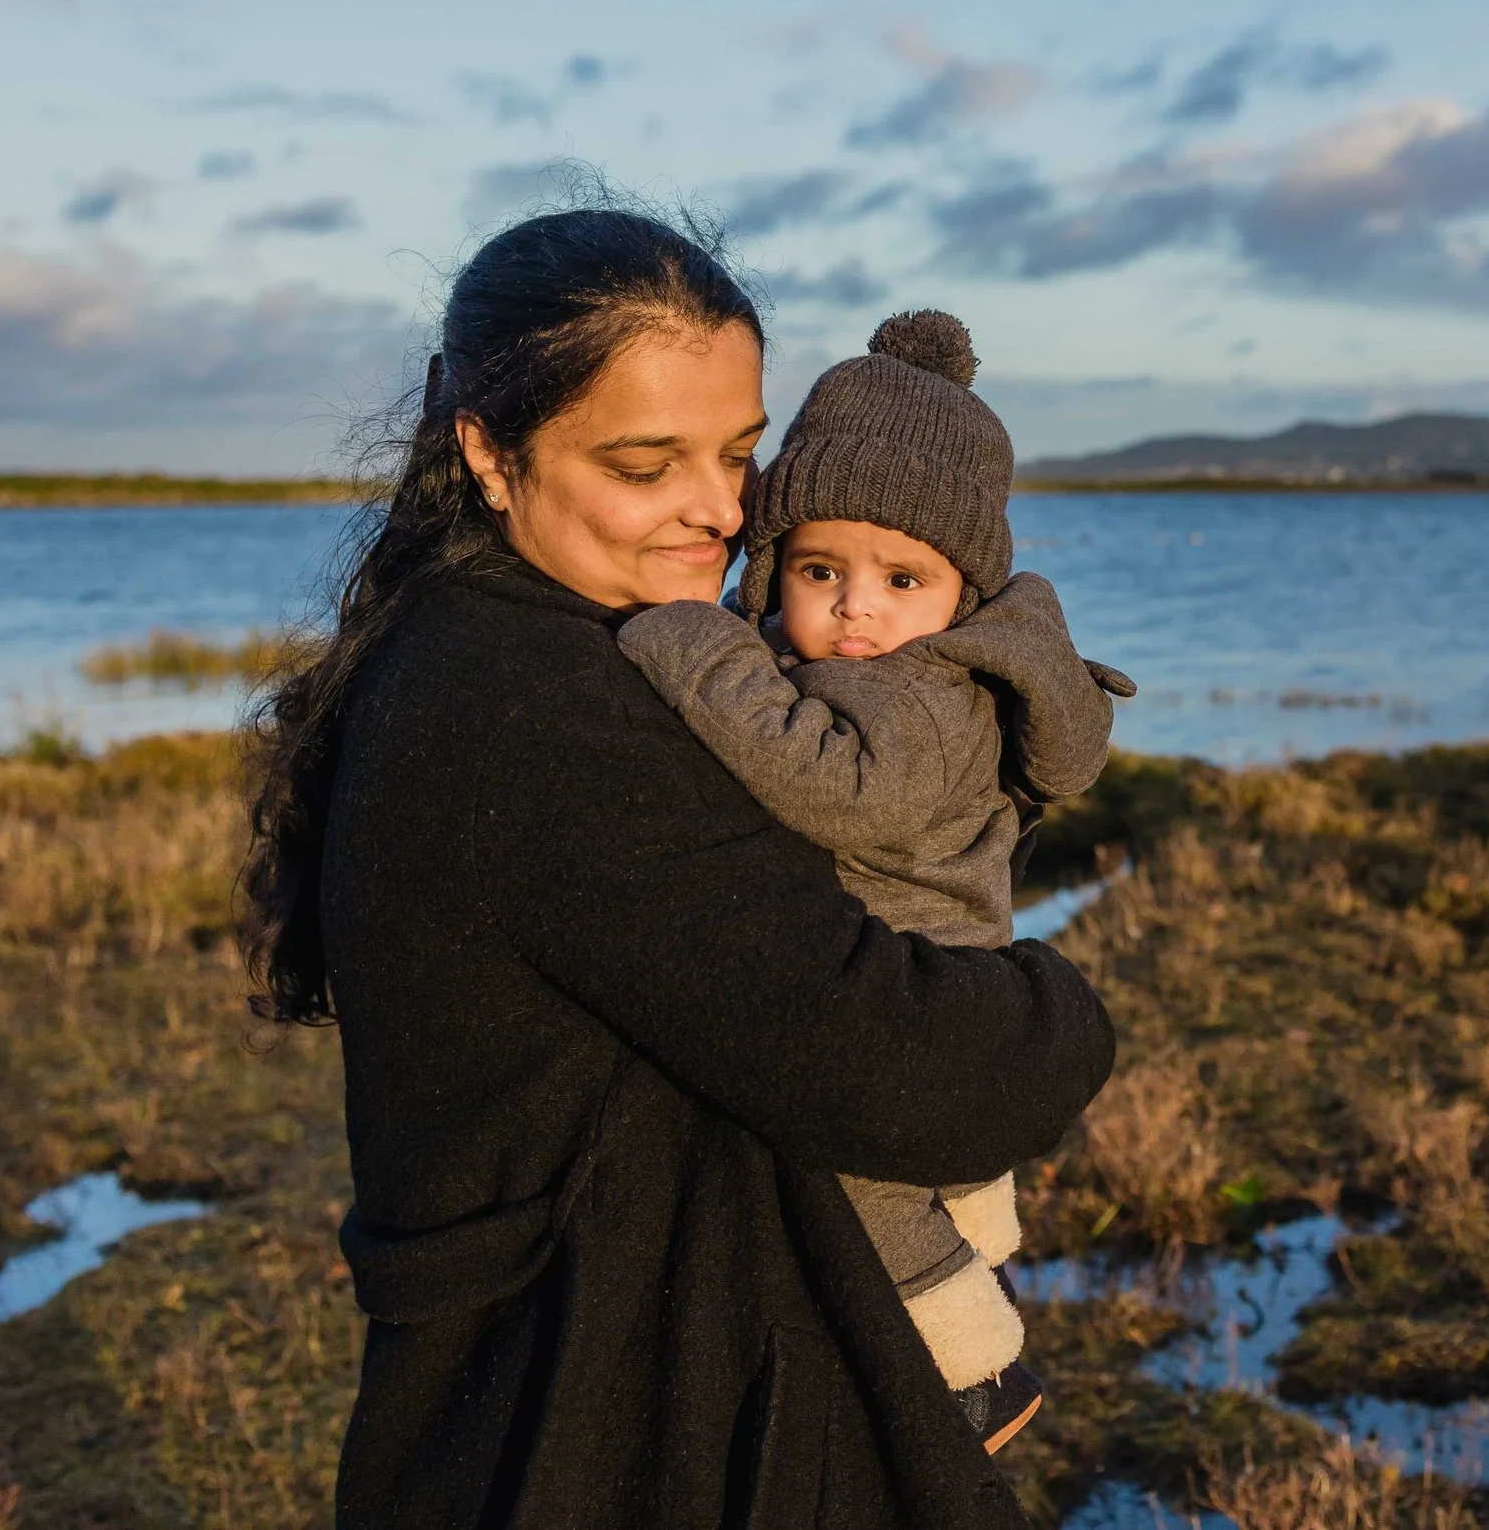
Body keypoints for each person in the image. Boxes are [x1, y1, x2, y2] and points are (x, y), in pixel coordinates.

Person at [239, 204, 1115, 1530]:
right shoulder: (536, 704)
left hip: (554, 1404)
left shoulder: (496, 641)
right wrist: (1068, 1016)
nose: (717, 512)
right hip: (598, 1431)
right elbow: (889, 1060)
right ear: (490, 449)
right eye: (648, 464)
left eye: (740, 454)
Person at [618, 309, 1132, 1454]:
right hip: (939, 970)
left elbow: (833, 787)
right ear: (775, 565)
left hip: (906, 984)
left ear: (963, 593)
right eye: (817, 569)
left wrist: (689, 642)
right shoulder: (905, 662)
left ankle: (976, 1374)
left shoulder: (918, 692)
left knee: (854, 1194)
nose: (856, 607)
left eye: (901, 576)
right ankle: (980, 1231)